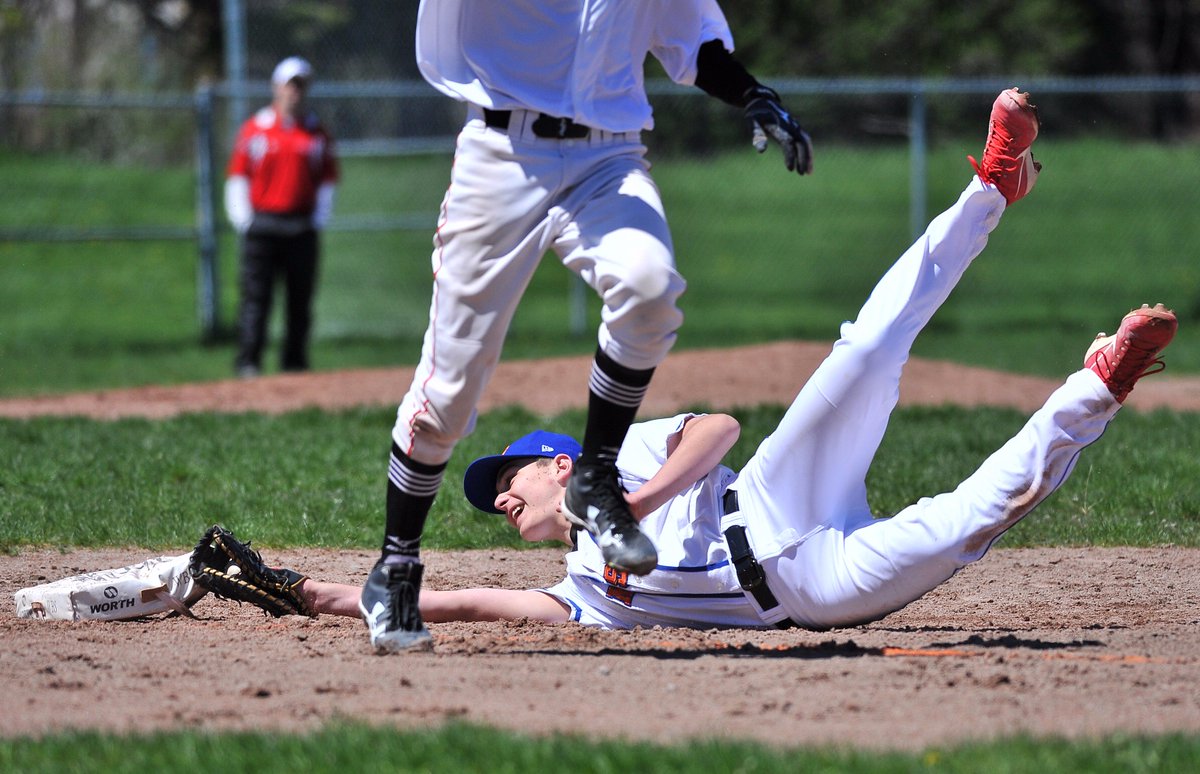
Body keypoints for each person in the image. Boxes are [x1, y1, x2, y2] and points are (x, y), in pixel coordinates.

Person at [293, 89, 1177, 634]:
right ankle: (1098, 386)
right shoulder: (581, 595)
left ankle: (991, 186)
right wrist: (307, 592)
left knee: (867, 348)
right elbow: (455, 602)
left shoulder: (622, 455)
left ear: (561, 462)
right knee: (969, 521)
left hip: (773, 494)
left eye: (508, 481)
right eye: (496, 499)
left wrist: (628, 505)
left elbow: (720, 429)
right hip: (807, 592)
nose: (502, 500)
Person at [362, 1, 817, 652]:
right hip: (502, 155)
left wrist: (753, 94)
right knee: (447, 398)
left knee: (650, 288)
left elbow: (688, 34)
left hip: (610, 157)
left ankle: (596, 478)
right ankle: (395, 568)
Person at [225, 56, 339, 378]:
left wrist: (318, 218)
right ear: (277, 88)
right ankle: (248, 362)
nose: (295, 93)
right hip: (263, 225)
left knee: (299, 302)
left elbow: (328, 180)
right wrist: (244, 220)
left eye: (301, 86)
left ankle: (294, 364)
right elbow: (238, 175)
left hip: (301, 226)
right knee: (255, 299)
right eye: (290, 85)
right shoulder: (256, 129)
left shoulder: (316, 133)